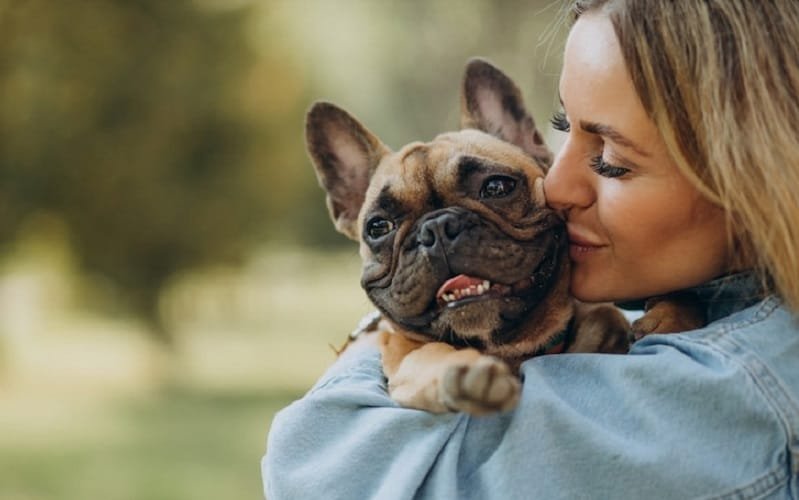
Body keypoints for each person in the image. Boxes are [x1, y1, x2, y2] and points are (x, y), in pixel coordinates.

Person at [263, 1, 799, 498]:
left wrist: (372, 346)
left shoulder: (737, 390)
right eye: (563, 130)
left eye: (612, 156)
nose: (555, 186)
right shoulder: (677, 310)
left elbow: (313, 471)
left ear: (747, 170)